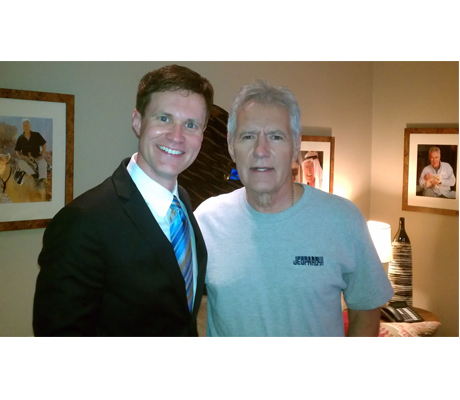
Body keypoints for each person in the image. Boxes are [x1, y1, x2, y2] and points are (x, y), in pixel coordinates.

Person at [194, 80, 393, 337]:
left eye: (276, 136)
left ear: (296, 145)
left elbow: (366, 312)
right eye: (248, 136)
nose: (261, 151)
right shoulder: (205, 220)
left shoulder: (343, 219)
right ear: (232, 145)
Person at [33, 64, 214, 336]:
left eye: (191, 125)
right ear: (137, 121)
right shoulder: (83, 222)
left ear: (202, 134)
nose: (177, 136)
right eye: (163, 118)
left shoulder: (184, 204)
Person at [14, 119, 48, 186]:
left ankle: (41, 180)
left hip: (36, 157)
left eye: (27, 125)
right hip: (26, 159)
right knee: (20, 162)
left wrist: (42, 155)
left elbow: (44, 145)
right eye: (24, 126)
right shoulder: (20, 138)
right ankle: (34, 176)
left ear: (30, 126)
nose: (26, 127)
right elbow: (17, 150)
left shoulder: (36, 135)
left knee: (43, 162)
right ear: (22, 127)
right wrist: (20, 156)